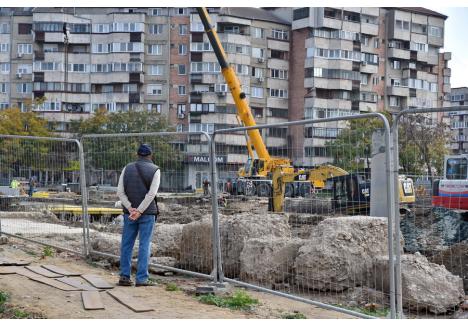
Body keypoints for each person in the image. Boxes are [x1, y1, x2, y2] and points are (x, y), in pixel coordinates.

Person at [116, 144, 160, 287]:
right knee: (144, 245)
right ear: (150, 155)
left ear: (137, 155)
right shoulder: (155, 170)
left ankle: (124, 276)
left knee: (126, 244)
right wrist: (140, 211)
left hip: (129, 214)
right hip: (147, 213)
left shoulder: (127, 168)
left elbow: (120, 192)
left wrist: (130, 208)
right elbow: (151, 194)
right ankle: (141, 279)